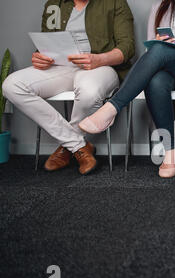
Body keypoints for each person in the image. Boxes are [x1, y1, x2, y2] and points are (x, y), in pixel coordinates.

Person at [79, 0, 175, 178]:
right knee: (156, 80)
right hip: (166, 69)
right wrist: (159, 43)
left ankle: (111, 108)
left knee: (160, 50)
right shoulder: (159, 6)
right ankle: (171, 151)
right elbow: (150, 52)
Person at [2, 0, 135, 175]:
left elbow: (127, 47)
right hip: (61, 67)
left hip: (102, 66)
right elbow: (44, 45)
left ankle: (68, 147)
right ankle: (77, 145)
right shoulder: (54, 4)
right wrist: (39, 56)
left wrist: (99, 59)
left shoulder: (115, 2)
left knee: (89, 90)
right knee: (12, 85)